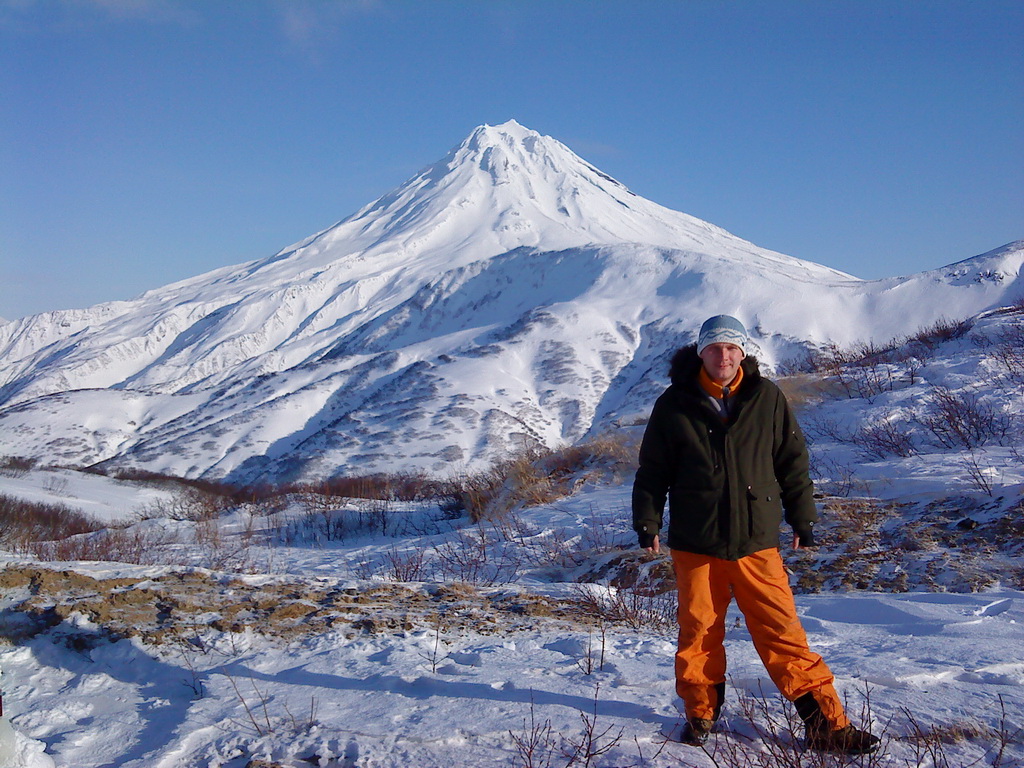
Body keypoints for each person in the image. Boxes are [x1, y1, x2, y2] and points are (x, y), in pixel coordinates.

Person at [632, 315, 879, 754]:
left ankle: (826, 724)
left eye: (731, 347)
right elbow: (653, 470)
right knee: (699, 632)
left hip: (756, 540)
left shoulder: (767, 397)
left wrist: (803, 518)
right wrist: (647, 521)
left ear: (743, 352)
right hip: (696, 542)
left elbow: (791, 462)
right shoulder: (674, 403)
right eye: (714, 348)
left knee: (782, 632)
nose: (723, 356)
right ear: (700, 352)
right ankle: (701, 716)